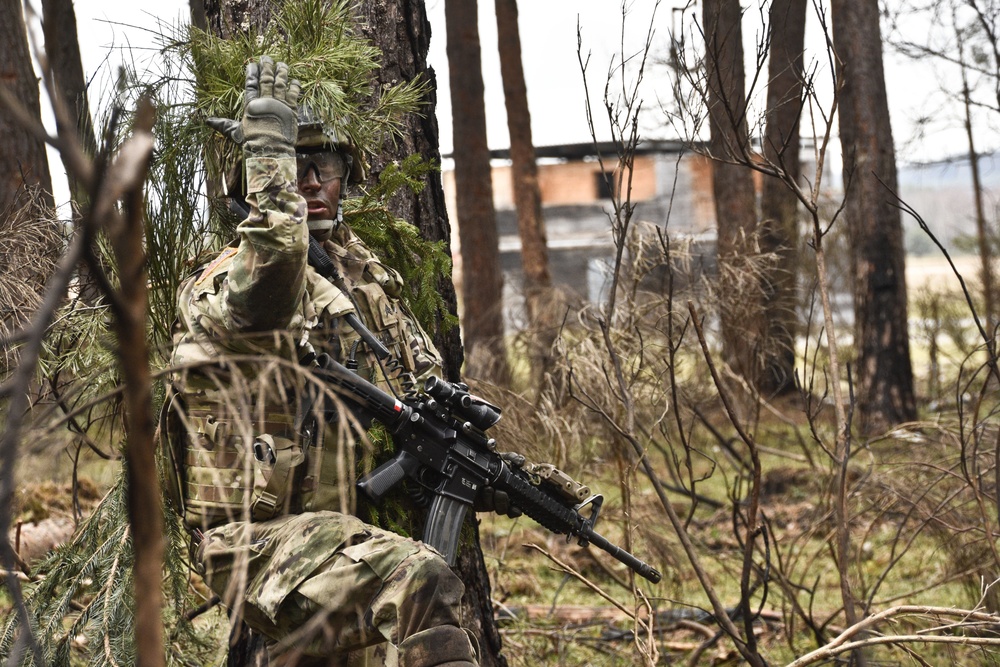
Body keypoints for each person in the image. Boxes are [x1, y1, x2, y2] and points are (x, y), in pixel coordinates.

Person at [161, 56, 480, 667]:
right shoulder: (226, 283)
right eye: (293, 167)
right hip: (254, 547)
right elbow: (274, 270)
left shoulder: (364, 284)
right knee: (419, 583)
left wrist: (483, 467)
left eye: (325, 166)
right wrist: (268, 160)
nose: (310, 181)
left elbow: (419, 389)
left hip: (341, 544)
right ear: (254, 182)